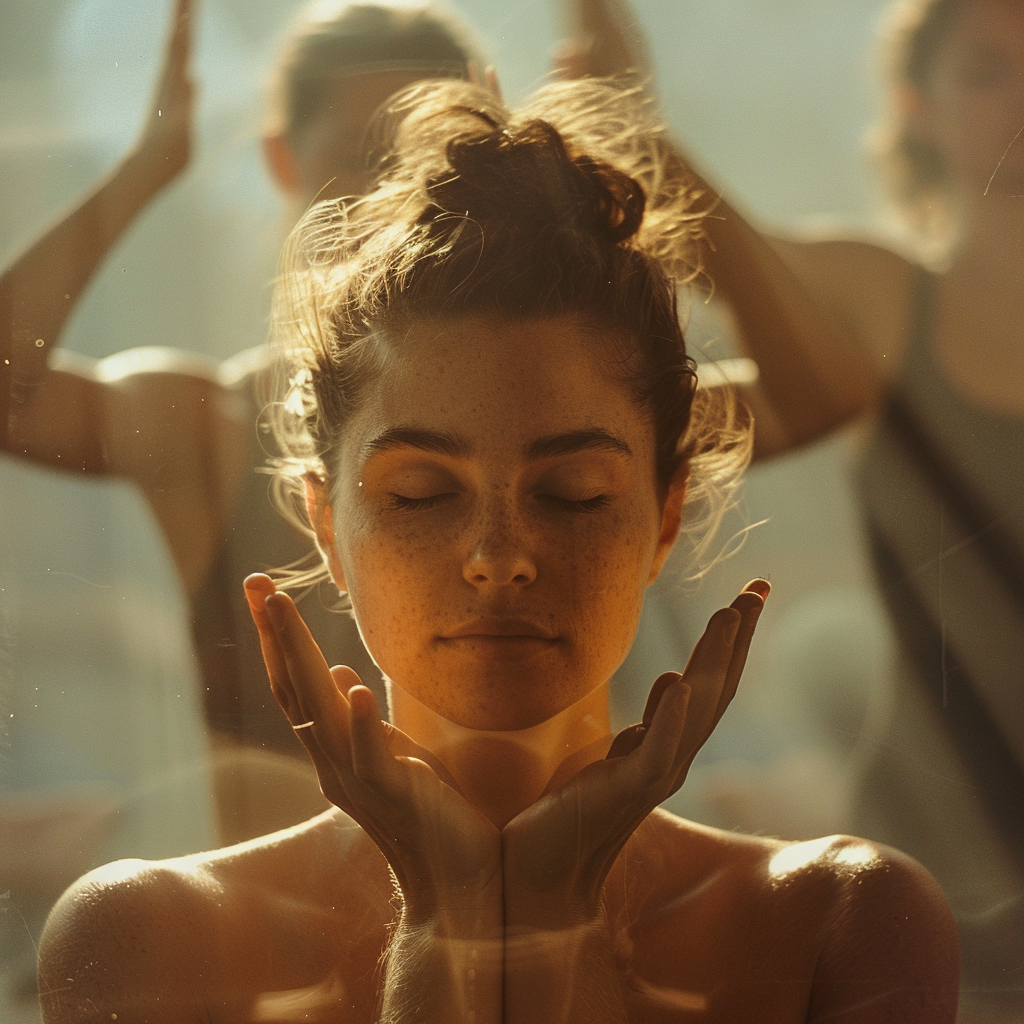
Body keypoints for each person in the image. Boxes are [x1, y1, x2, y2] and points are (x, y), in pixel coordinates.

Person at [37, 75, 958, 1023]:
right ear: (325, 525)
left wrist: (544, 923)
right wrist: (450, 923)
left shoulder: (835, 921)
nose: (497, 556)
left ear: (666, 513)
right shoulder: (152, 934)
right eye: (422, 494)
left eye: (573, 495)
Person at [552, 0, 1024, 1013]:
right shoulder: (880, 295)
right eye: (988, 71)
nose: (1022, 101)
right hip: (934, 869)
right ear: (918, 107)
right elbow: (674, 368)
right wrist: (638, 131)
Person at [0, 0, 482, 845]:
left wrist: (655, 159)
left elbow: (796, 398)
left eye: (432, 159)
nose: (394, 197)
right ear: (279, 159)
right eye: (354, 158)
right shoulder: (216, 426)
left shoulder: (583, 415)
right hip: (289, 943)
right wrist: (145, 168)